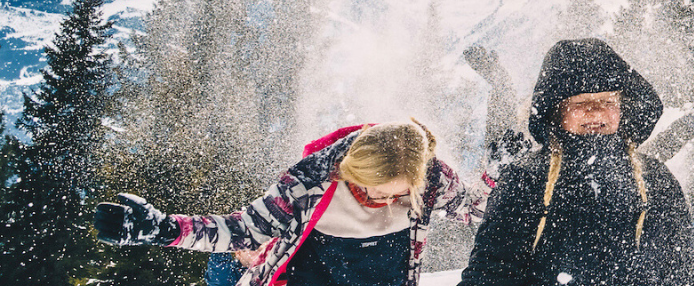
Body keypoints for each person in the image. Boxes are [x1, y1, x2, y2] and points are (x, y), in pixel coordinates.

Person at [95, 120, 484, 286]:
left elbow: (474, 209)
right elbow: (244, 230)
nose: (382, 202)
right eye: (370, 190)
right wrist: (162, 228)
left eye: (397, 194)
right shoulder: (311, 181)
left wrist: (501, 178)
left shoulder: (433, 178)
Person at [460, 38, 694, 286]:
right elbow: (489, 275)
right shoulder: (525, 181)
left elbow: (681, 271)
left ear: (622, 108)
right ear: (557, 112)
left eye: (608, 101)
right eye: (580, 102)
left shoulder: (656, 179)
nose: (596, 111)